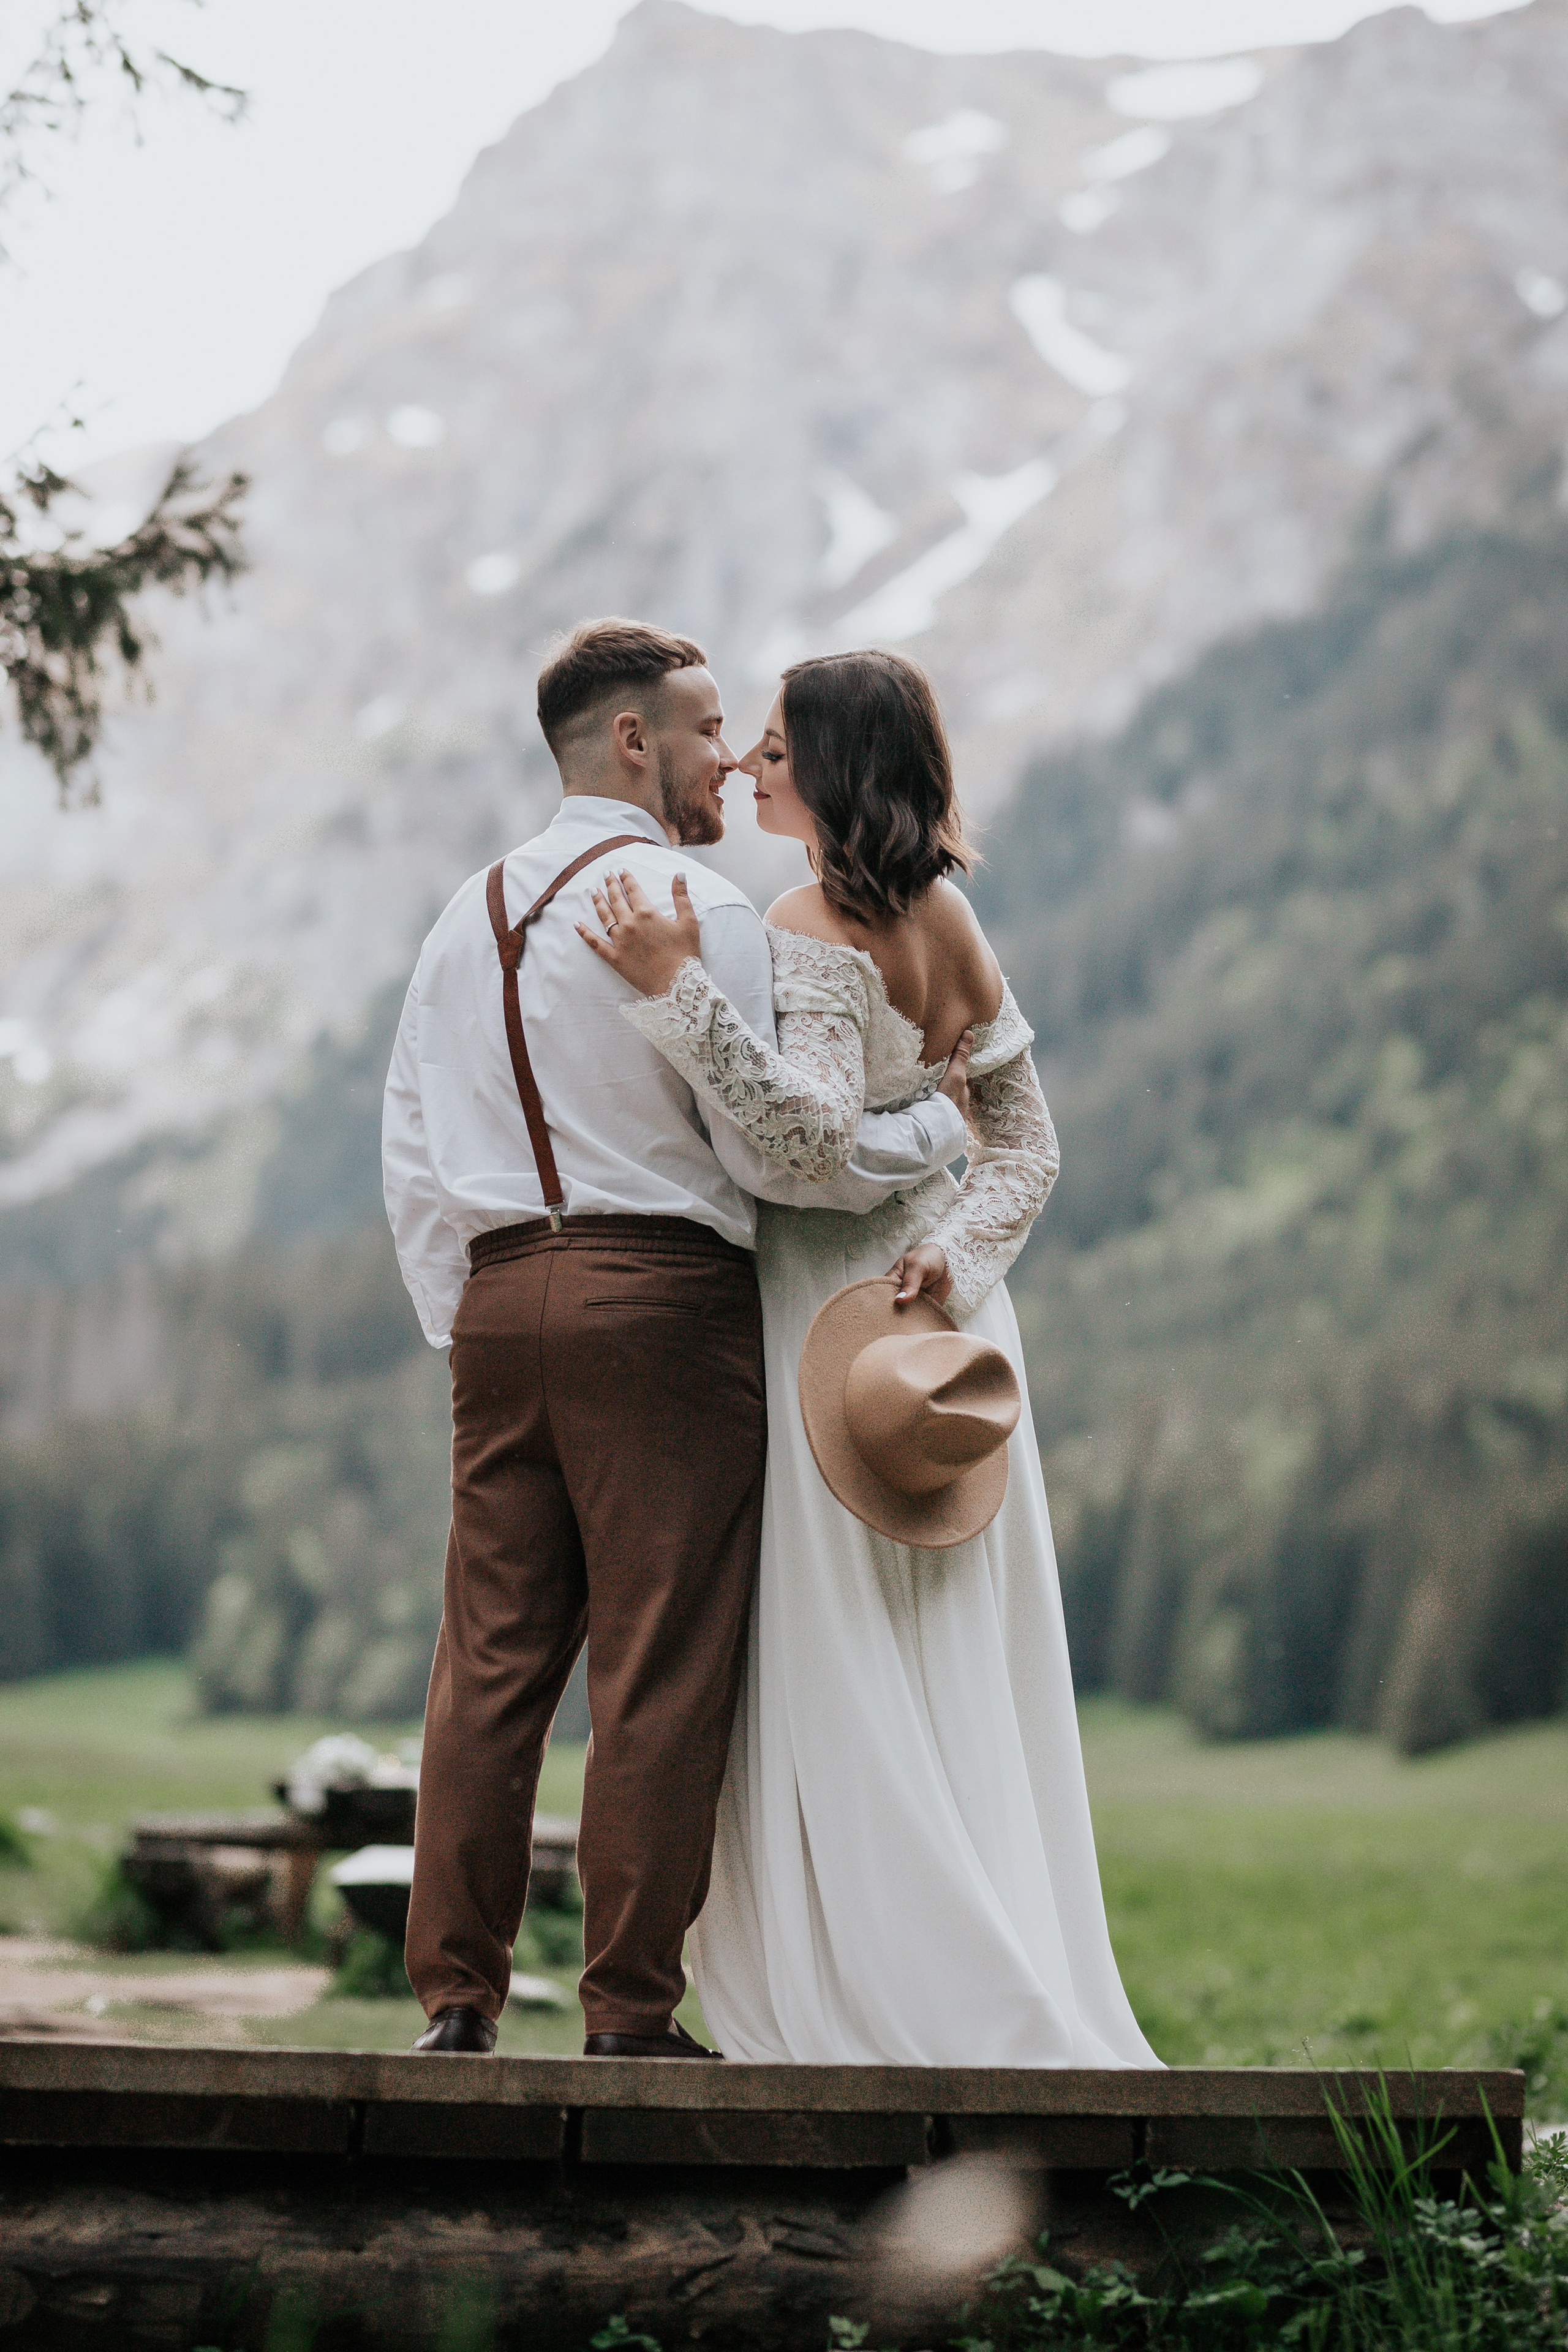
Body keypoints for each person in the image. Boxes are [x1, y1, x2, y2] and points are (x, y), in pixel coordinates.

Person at [382, 618, 967, 2056]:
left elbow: (410, 1152)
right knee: (660, 1658)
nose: (730, 756)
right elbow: (783, 1158)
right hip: (661, 1308)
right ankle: (626, 2014)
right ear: (633, 740)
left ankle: (454, 2003)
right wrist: (934, 1125)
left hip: (497, 1305)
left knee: (489, 1660)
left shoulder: (465, 917)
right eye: (709, 728)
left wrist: (467, 1323)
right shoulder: (686, 900)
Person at [579, 648, 1159, 2067]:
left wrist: (672, 992)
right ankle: (981, 1954)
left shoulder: (803, 916)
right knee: (953, 1651)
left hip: (832, 1317)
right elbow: (1026, 1144)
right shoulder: (951, 918)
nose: (751, 768)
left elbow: (804, 1146)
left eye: (776, 749)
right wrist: (958, 1263)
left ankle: (893, 1990)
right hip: (951, 1335)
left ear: (831, 770)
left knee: (834, 1646)